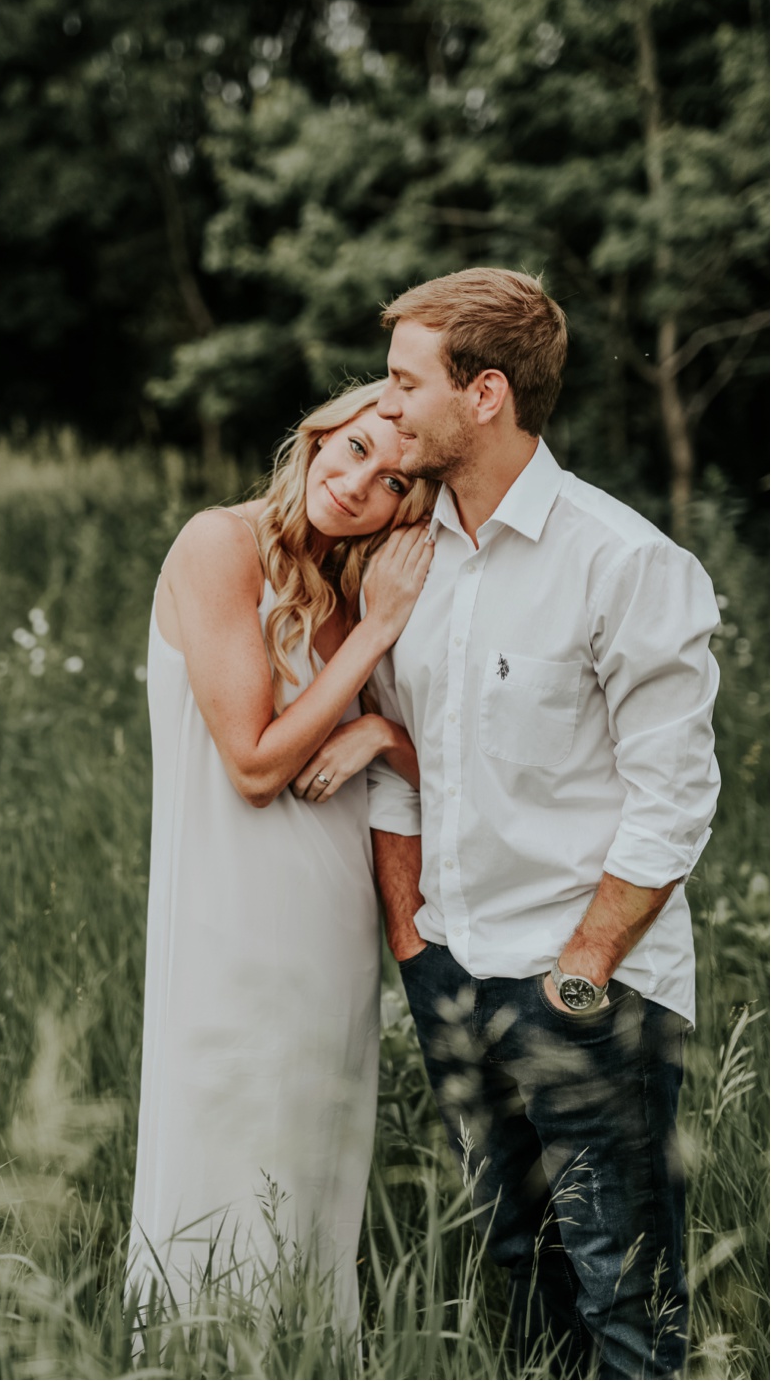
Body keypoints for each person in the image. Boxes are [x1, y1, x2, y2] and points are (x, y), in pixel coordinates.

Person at [367, 268, 720, 1380]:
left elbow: (674, 799)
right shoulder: (409, 561)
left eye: (402, 382)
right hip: (453, 976)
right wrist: (416, 949)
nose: (384, 408)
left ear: (483, 395)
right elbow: (400, 769)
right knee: (521, 1277)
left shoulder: (623, 562)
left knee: (625, 1297)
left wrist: (582, 968)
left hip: (585, 990)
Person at [127, 379, 437, 1331]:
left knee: (311, 1148)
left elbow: (444, 765)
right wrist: (380, 631)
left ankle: (309, 1350)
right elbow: (256, 763)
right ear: (319, 433)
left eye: (391, 481)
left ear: (404, 510)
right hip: (231, 914)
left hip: (334, 930)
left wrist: (383, 735)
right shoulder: (219, 545)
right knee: (228, 1131)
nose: (357, 485)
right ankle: (194, 1348)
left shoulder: (355, 591)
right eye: (353, 450)